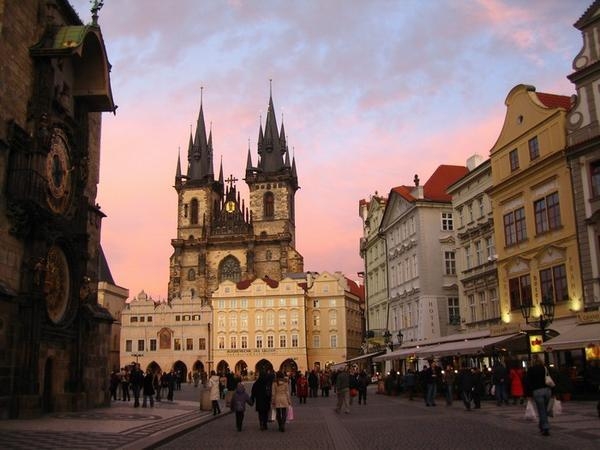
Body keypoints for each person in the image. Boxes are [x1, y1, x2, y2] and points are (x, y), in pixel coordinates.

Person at [525, 356, 552, 436]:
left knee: (541, 410)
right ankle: (542, 426)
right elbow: (550, 379)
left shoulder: (531, 370)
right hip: (547, 391)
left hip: (537, 391)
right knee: (545, 410)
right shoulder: (545, 368)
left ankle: (545, 427)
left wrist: (528, 395)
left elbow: (528, 383)